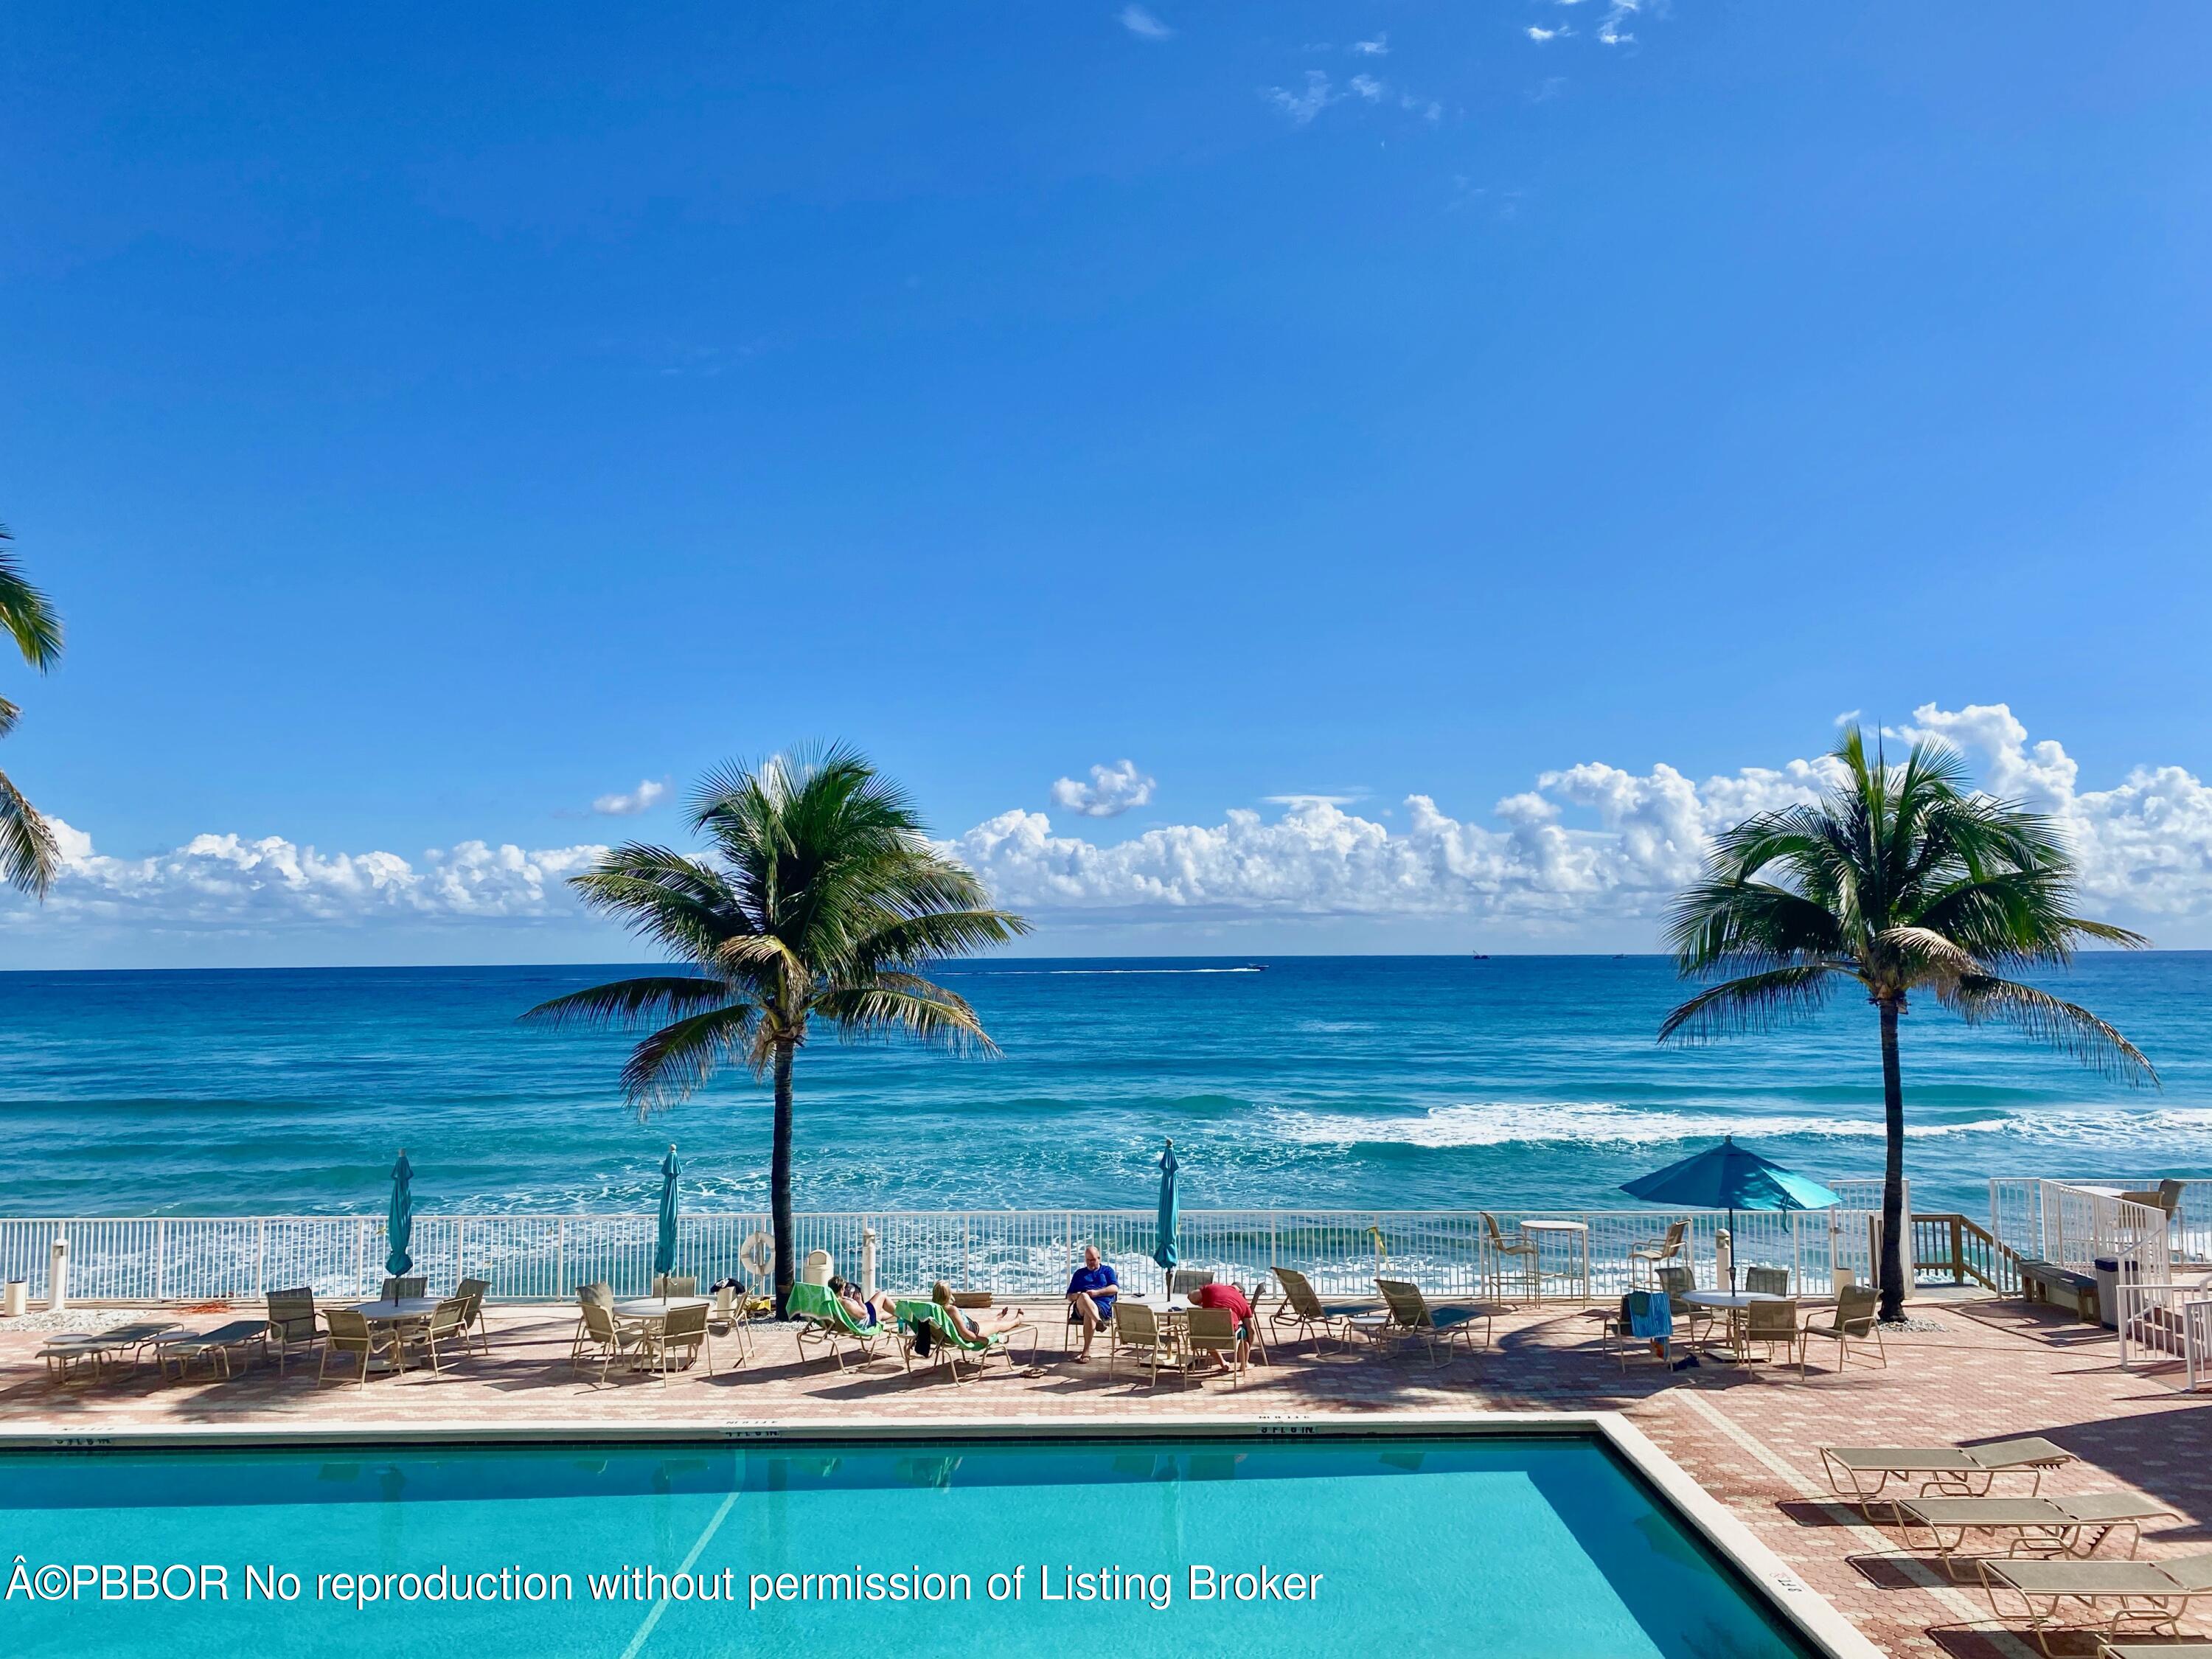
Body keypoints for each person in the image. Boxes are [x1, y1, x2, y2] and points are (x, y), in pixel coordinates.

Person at [1064, 1245, 1119, 1361]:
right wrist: (1078, 1296)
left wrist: (1097, 1293)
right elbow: (1069, 1296)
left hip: (1101, 1306)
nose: (1090, 1263)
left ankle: (1086, 1352)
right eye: (1088, 1260)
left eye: (1093, 1260)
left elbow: (1114, 1288)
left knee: (1090, 1313)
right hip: (1081, 1307)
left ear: (1099, 1258)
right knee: (1084, 1296)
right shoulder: (1079, 1274)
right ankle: (1098, 1322)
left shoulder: (1107, 1271)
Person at [1192, 1279, 1254, 1371]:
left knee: (1207, 1335)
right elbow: (1251, 1329)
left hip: (1203, 1335)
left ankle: (1223, 1363)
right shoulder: (1243, 1301)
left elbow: (1191, 1296)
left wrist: (1203, 1302)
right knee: (1245, 1334)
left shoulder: (1212, 1287)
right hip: (1229, 1334)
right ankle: (1244, 1365)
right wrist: (1250, 1344)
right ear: (1241, 1292)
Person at [931, 1281, 1023, 1342]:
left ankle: (996, 1318)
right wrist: (980, 1339)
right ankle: (1017, 1321)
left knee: (986, 1323)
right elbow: (965, 1334)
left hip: (954, 1333)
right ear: (948, 1295)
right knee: (997, 1326)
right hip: (973, 1331)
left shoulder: (933, 1309)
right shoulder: (951, 1310)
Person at [827, 1275, 895, 1329]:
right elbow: (863, 1315)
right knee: (881, 1296)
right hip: (866, 1321)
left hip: (854, 1321)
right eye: (844, 1288)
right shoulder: (844, 1303)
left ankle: (900, 1315)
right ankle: (902, 1313)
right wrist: (860, 1302)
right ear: (841, 1289)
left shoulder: (830, 1302)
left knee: (880, 1314)